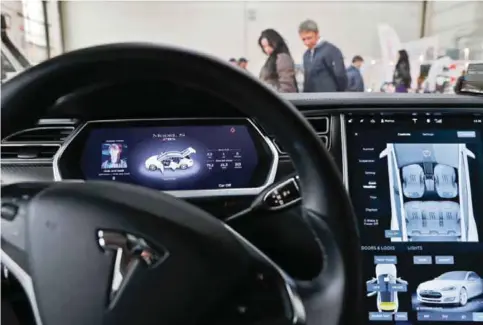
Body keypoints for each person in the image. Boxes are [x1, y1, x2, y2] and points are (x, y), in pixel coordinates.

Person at [298, 19, 347, 92]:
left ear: (317, 34)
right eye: (303, 39)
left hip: (329, 98)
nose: (307, 42)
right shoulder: (306, 55)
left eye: (309, 38)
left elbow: (340, 75)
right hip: (311, 99)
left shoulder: (331, 51)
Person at [258, 29, 298, 93]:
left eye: (269, 45)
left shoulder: (282, 58)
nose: (267, 49)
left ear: (276, 42)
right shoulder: (272, 59)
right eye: (264, 47)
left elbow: (287, 88)